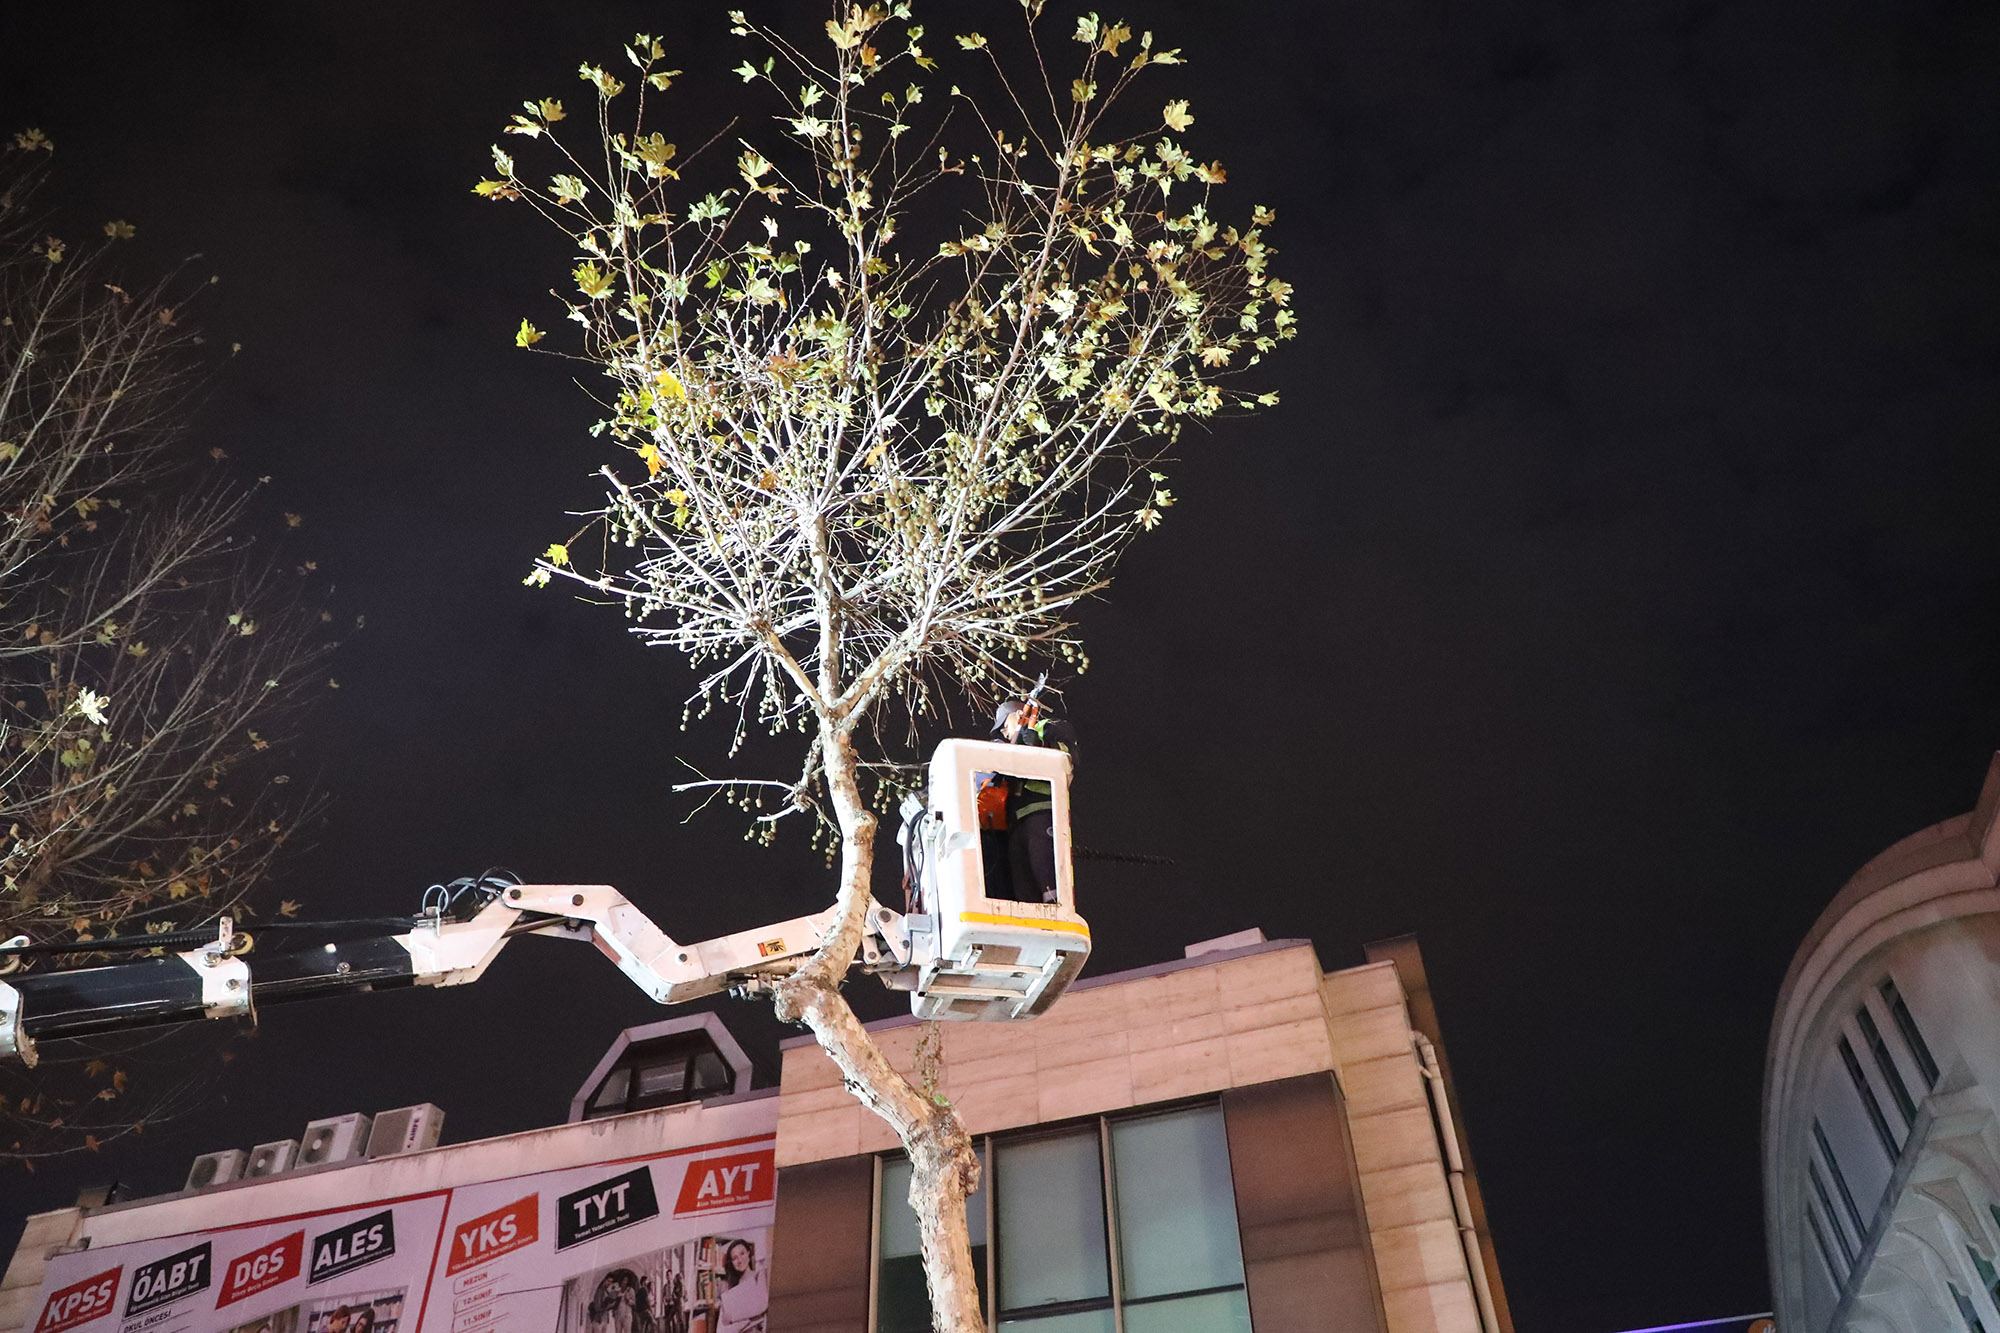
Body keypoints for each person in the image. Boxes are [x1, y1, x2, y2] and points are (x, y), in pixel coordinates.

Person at [992, 698, 1077, 903]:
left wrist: (1039, 745)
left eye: (1005, 726)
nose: (1004, 733)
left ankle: (1056, 913)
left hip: (1041, 811)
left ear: (1019, 715)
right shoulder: (1008, 747)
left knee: (1045, 874)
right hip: (1015, 823)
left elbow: (1067, 760)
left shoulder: (1050, 728)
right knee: (1023, 886)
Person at [713, 1240, 767, 1333]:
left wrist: (733, 1318)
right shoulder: (729, 1288)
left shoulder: (759, 1277)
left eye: (742, 1253)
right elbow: (722, 1329)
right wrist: (747, 1320)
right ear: (732, 1263)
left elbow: (762, 1306)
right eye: (734, 1258)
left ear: (749, 1253)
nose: (740, 1260)